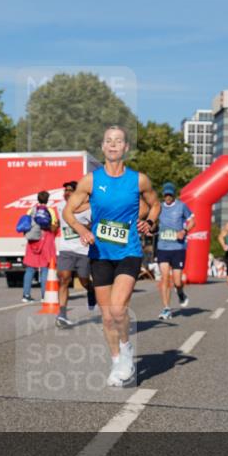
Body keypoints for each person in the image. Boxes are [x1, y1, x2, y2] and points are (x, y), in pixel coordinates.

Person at [63, 126, 160, 387]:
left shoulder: (138, 180)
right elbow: (68, 212)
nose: (113, 145)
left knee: (118, 309)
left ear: (126, 147)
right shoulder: (90, 181)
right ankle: (117, 360)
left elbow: (155, 203)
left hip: (129, 252)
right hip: (100, 254)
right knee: (107, 316)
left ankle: (126, 349)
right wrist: (82, 229)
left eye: (118, 141)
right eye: (109, 141)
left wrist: (149, 222)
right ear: (103, 147)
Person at [55, 180, 96, 327]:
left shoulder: (88, 208)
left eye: (70, 190)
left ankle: (91, 290)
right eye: (65, 190)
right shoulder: (60, 206)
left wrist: (79, 226)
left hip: (83, 250)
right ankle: (62, 315)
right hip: (66, 249)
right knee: (64, 279)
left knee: (84, 280)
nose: (66, 193)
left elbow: (94, 225)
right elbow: (57, 223)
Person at [155, 182, 194, 320]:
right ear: (163, 194)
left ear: (174, 194)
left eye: (170, 194)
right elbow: (152, 220)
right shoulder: (158, 207)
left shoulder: (181, 206)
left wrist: (184, 230)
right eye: (166, 194)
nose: (168, 197)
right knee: (165, 278)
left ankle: (181, 293)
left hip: (178, 248)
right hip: (163, 247)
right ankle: (166, 308)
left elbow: (192, 221)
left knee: (177, 281)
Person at [22, 191, 58, 302]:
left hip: (33, 241)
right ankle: (44, 296)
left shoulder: (31, 210)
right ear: (47, 199)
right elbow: (54, 226)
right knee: (45, 268)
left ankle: (26, 295)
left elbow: (25, 224)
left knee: (30, 269)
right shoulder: (50, 211)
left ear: (38, 199)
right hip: (46, 240)